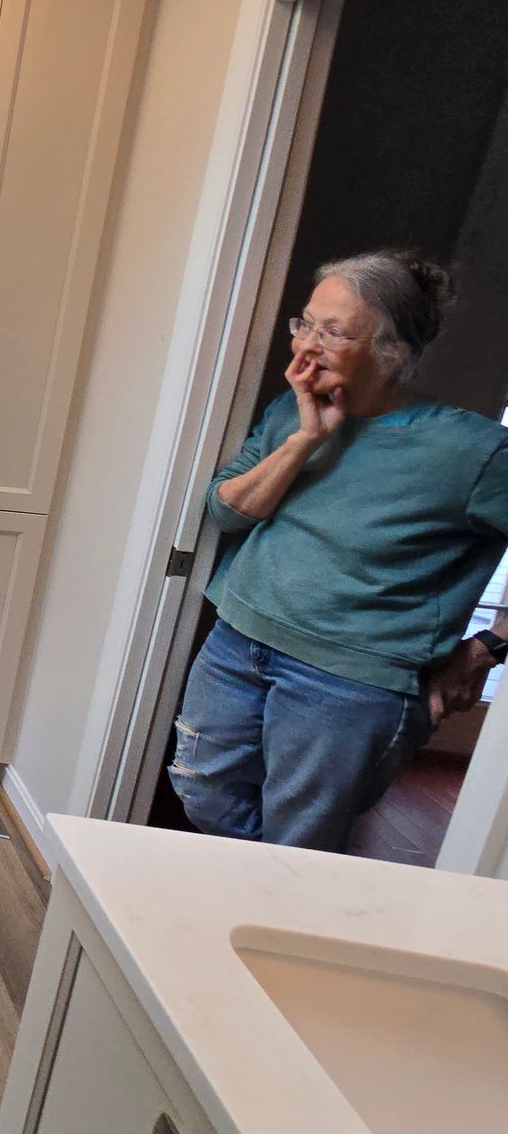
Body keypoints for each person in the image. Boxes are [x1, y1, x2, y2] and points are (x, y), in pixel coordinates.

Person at [169, 250, 508, 852]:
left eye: (333, 331)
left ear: (391, 352)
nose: (305, 346)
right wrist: (305, 439)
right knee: (204, 792)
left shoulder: (471, 452)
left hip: (352, 681)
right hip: (238, 641)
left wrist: (487, 648)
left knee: (298, 840)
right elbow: (224, 511)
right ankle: (260, 904)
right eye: (304, 323)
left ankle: (272, 926)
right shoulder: (291, 410)